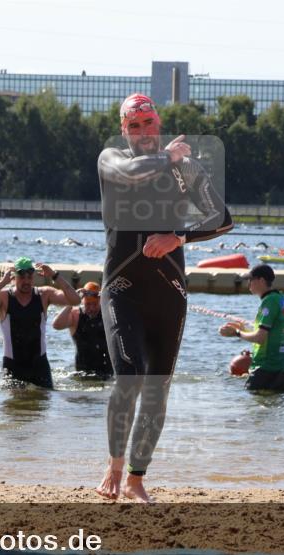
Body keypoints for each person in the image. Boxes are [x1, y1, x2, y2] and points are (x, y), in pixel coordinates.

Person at [96, 92, 234, 502]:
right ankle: (115, 466)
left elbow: (222, 219)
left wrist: (178, 237)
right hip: (121, 288)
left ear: (158, 123)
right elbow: (135, 170)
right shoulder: (111, 160)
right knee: (129, 377)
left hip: (169, 292)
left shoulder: (184, 168)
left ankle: (137, 479)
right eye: (133, 126)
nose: (142, 132)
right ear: (124, 130)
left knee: (157, 388)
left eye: (148, 123)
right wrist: (169, 158)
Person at [0, 257, 80, 389]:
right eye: (22, 277)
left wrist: (54, 275)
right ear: (14, 277)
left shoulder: (44, 294)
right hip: (13, 364)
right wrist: (1, 283)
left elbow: (75, 300)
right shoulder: (4, 297)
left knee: (43, 406)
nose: (26, 281)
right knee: (14, 408)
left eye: (29, 277)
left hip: (39, 364)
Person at [218, 264, 284, 391]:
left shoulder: (269, 302)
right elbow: (268, 334)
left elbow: (260, 338)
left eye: (251, 280)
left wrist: (236, 333)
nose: (249, 284)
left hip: (265, 368)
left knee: (253, 408)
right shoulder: (281, 298)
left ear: (261, 281)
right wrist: (244, 330)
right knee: (273, 407)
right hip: (281, 368)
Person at [51, 281, 113, 379]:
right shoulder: (75, 315)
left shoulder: (109, 315)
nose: (91, 308)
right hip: (82, 373)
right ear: (82, 302)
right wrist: (72, 302)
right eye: (88, 304)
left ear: (101, 301)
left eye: (95, 304)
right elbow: (56, 325)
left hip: (108, 373)